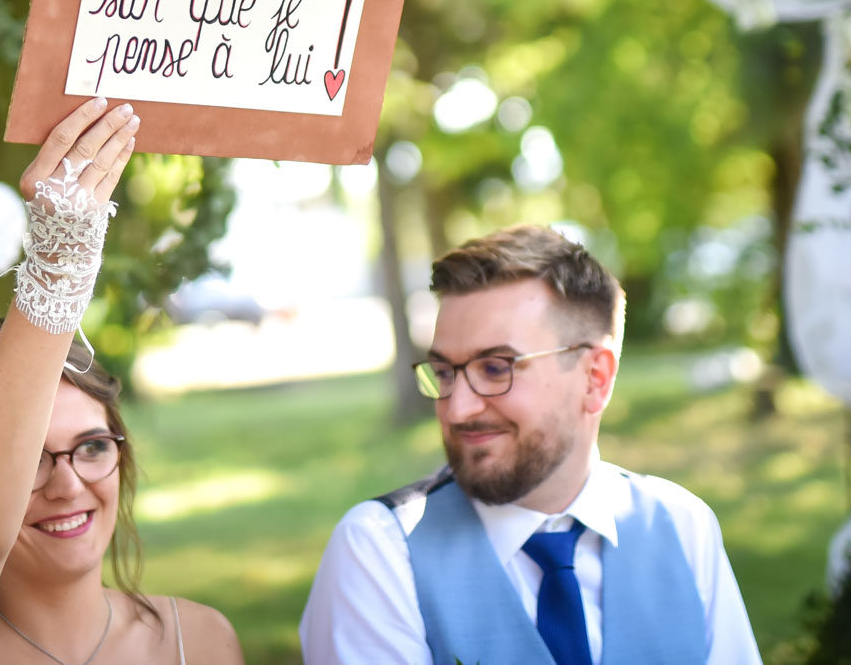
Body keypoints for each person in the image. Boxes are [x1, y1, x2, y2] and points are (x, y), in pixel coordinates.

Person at [0, 97, 243, 665]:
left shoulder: (201, 640)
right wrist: (58, 269)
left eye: (93, 447)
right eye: (32, 457)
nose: (68, 485)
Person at [299, 224, 763, 665]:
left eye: (496, 368)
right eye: (443, 373)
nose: (457, 409)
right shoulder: (380, 551)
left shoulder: (684, 528)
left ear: (594, 378)